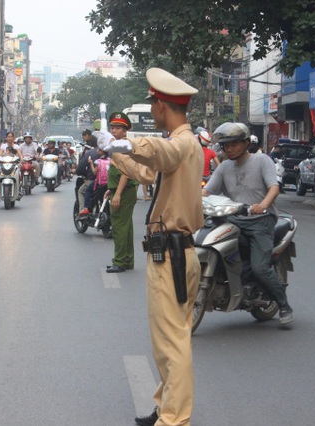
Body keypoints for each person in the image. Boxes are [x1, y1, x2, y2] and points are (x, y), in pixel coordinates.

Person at [102, 68, 203, 426]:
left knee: (172, 342)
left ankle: (174, 419)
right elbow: (149, 172)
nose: (152, 110)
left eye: (153, 104)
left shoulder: (181, 144)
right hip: (176, 252)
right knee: (168, 341)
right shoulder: (182, 147)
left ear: (161, 105)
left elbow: (160, 153)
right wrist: (115, 151)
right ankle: (166, 405)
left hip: (172, 254)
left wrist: (129, 143)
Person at [203, 122, 294, 326]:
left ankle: (284, 305)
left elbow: (274, 188)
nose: (230, 149)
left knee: (260, 268)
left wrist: (262, 205)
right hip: (234, 219)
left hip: (261, 221)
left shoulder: (262, 160)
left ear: (245, 143)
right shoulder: (225, 166)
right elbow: (207, 191)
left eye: (234, 144)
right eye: (226, 145)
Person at [103, 112, 138, 273]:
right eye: (113, 127)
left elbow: (126, 172)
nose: (114, 130)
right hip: (121, 189)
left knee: (119, 226)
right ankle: (128, 259)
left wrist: (117, 193)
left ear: (125, 131)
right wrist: (111, 191)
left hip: (124, 191)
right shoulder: (119, 145)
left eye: (118, 128)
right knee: (127, 226)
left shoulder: (123, 146)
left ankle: (119, 261)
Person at [76, 137, 99, 215]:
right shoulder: (108, 152)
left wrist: (80, 173)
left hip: (92, 180)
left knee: (81, 191)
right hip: (106, 181)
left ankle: (82, 210)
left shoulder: (89, 153)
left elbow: (81, 168)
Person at [82, 147, 109, 214]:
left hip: (99, 183)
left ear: (101, 151)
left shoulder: (98, 161)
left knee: (88, 190)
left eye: (98, 150)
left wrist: (91, 163)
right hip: (108, 184)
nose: (97, 151)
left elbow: (94, 172)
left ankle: (86, 208)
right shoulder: (110, 160)